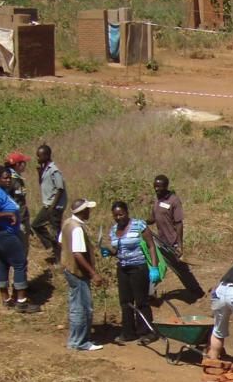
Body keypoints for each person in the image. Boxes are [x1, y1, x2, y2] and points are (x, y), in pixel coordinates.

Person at [0, 165, 37, 313]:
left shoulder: (3, 191)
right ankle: (22, 302)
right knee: (20, 262)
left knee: (2, 262)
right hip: (1, 232)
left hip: (2, 232)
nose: (8, 180)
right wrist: (9, 215)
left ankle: (6, 299)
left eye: (9, 178)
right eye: (5, 178)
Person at [107, 201, 160, 344]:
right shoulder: (114, 230)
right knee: (125, 302)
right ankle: (128, 332)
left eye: (121, 214)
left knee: (141, 301)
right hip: (123, 269)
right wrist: (109, 252)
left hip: (138, 268)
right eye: (115, 215)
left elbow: (151, 246)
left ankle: (147, 332)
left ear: (127, 212)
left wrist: (154, 267)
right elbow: (116, 250)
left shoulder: (138, 225)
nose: (118, 217)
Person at [148, 175, 205, 301]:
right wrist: (142, 222)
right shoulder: (157, 199)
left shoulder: (174, 201)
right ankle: (150, 293)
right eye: (155, 186)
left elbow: (179, 224)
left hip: (171, 242)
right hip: (160, 241)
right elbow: (153, 218)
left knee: (181, 270)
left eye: (159, 186)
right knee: (155, 265)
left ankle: (198, 293)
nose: (156, 189)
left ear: (166, 186)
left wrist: (179, 245)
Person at [60, 198, 103, 351]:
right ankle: (80, 342)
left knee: (76, 306)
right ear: (83, 211)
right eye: (88, 209)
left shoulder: (67, 223)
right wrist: (93, 274)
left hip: (68, 269)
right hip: (77, 272)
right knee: (83, 308)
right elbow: (77, 254)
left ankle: (75, 340)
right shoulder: (77, 228)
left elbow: (61, 242)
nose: (89, 212)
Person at [32, 144, 67, 262]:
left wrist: (53, 207)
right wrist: (39, 173)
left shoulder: (54, 170)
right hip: (48, 205)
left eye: (39, 156)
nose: (38, 158)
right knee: (36, 225)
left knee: (55, 232)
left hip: (54, 206)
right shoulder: (45, 169)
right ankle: (51, 247)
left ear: (46, 156)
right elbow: (42, 184)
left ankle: (59, 258)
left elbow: (60, 189)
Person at [5, 151, 33, 245]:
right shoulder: (10, 180)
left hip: (22, 218)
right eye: (23, 163)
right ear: (17, 165)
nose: (25, 165)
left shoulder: (17, 178)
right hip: (17, 220)